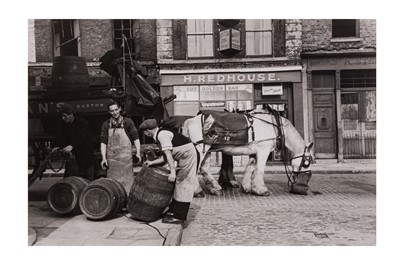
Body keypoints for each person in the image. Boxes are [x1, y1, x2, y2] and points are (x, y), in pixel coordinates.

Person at [139, 118, 199, 224]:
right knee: (178, 184)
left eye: (144, 132)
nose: (145, 134)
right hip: (184, 156)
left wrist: (172, 172)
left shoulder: (162, 135)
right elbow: (165, 156)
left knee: (183, 184)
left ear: (147, 131)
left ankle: (179, 217)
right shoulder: (160, 133)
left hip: (188, 157)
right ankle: (173, 211)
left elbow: (168, 155)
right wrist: (152, 163)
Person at [100, 101, 141, 193]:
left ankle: (128, 200)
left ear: (120, 109)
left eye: (116, 110)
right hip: (112, 161)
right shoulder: (106, 124)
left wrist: (138, 152)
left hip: (126, 160)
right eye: (112, 111)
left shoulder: (128, 122)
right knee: (113, 186)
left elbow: (136, 138)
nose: (115, 113)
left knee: (128, 184)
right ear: (109, 112)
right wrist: (103, 158)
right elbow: (103, 142)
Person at [53, 103, 95, 181]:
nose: (63, 118)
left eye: (65, 116)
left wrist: (72, 145)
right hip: (73, 155)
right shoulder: (62, 124)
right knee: (70, 176)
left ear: (71, 114)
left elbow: (81, 137)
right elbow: (59, 135)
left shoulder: (82, 123)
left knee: (87, 177)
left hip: (84, 153)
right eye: (62, 116)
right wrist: (57, 146)